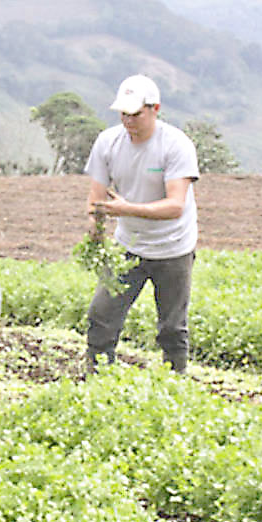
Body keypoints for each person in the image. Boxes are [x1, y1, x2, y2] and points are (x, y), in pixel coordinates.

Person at [83, 74, 200, 373]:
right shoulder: (108, 142)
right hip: (128, 246)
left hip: (173, 248)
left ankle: (174, 383)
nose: (128, 121)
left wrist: (126, 209)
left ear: (155, 109)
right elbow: (96, 200)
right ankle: (97, 379)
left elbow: (175, 205)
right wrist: (95, 236)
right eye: (123, 113)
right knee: (101, 316)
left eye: (135, 114)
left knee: (172, 328)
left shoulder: (176, 145)